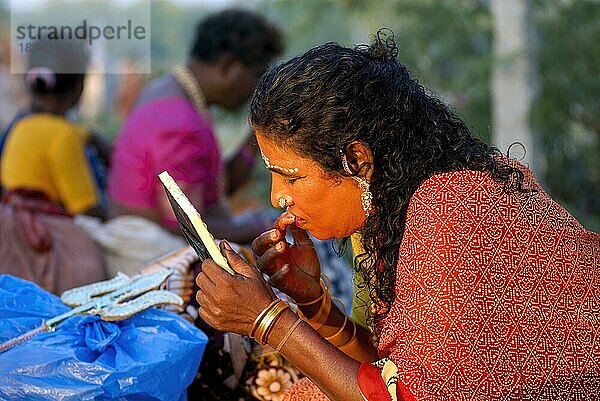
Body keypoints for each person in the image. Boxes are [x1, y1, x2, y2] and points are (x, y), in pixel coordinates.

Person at [193, 30, 600, 400]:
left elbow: (400, 395)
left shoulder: (454, 211)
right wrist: (314, 302)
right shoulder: (399, 213)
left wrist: (268, 320)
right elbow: (396, 370)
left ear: (357, 160)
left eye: (290, 177)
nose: (278, 197)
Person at [106, 8, 283, 262]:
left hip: (162, 237)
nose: (257, 87)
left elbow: (216, 189)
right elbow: (187, 224)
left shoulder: (173, 92)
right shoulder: (179, 122)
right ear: (227, 65)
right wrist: (263, 227)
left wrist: (260, 133)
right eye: (257, 75)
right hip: (150, 253)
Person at [0, 38, 106, 294]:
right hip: (48, 244)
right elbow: (87, 209)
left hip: (11, 236)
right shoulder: (64, 135)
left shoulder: (18, 127)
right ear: (78, 87)